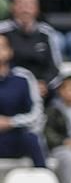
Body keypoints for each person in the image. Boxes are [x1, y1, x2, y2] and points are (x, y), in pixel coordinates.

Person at [0, 0, 62, 96]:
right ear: (12, 7)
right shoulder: (2, 31)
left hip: (41, 90)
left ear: (37, 8)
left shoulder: (46, 33)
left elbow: (55, 69)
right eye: (21, 3)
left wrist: (45, 84)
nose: (25, 9)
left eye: (30, 4)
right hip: (7, 89)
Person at [0, 33, 45, 168]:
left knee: (31, 138)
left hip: (15, 134)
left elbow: (37, 113)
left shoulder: (23, 77)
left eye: (1, 47)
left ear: (10, 52)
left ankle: (44, 176)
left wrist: (12, 122)